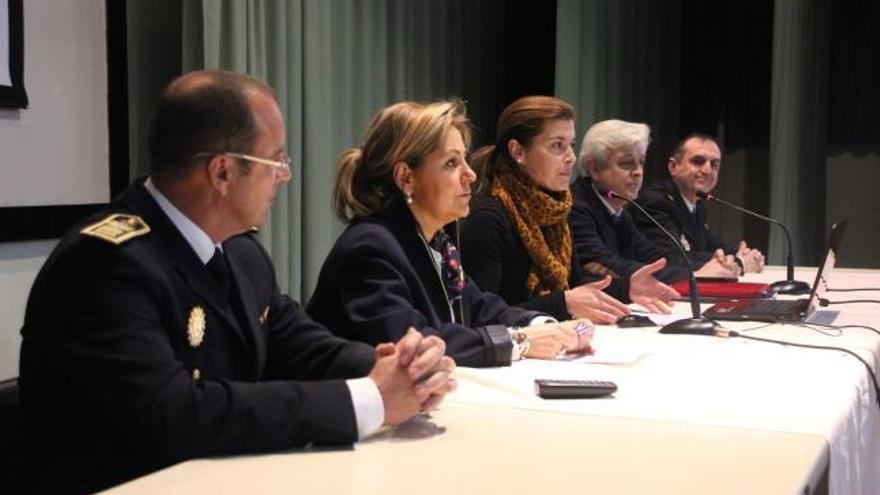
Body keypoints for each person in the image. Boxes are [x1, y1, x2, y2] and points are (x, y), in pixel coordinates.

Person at [14, 70, 455, 494]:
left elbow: (300, 344)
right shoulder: (105, 264)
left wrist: (402, 367)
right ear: (222, 172)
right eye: (276, 160)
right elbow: (175, 416)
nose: (285, 176)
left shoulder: (240, 253)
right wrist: (367, 400)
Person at [306, 99, 591, 367]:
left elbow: (481, 309)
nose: (471, 174)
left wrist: (546, 327)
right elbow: (417, 344)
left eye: (464, 160)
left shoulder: (435, 241)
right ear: (406, 178)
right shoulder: (370, 249)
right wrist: (520, 341)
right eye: (452, 163)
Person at [462, 97, 678, 321]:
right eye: (557, 146)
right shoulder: (489, 219)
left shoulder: (557, 211)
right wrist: (563, 304)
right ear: (518, 151)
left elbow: (575, 289)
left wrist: (627, 288)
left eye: (571, 146)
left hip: (558, 338)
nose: (571, 158)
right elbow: (481, 317)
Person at [569, 120, 736, 305]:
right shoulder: (576, 206)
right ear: (594, 168)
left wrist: (706, 270)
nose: (638, 172)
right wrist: (695, 274)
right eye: (627, 164)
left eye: (640, 162)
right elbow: (607, 263)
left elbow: (654, 259)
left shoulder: (618, 209)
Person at [635, 133, 765, 274]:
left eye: (714, 164)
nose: (707, 170)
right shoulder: (655, 202)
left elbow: (713, 246)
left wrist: (746, 256)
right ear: (673, 166)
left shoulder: (698, 205)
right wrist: (740, 263)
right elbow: (672, 259)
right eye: (698, 161)